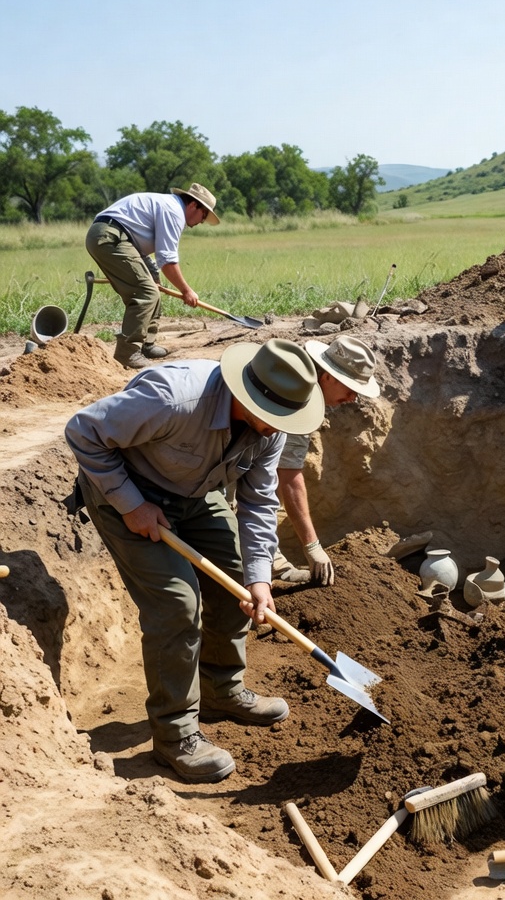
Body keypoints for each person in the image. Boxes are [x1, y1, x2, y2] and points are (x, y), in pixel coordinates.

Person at [64, 338, 325, 783]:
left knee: (238, 576)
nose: (280, 428)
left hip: (196, 493)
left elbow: (259, 502)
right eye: (275, 417)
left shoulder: (273, 426)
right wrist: (131, 504)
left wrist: (260, 579)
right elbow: (82, 431)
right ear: (249, 398)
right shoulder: (173, 399)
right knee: (177, 605)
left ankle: (221, 689)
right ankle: (175, 736)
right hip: (127, 490)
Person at [272, 336, 381, 586]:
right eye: (350, 388)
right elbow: (288, 475)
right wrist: (312, 546)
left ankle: (270, 561)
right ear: (328, 376)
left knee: (266, 491)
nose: (353, 398)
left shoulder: (305, 379)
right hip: (213, 450)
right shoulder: (300, 396)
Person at [85, 182, 220, 369]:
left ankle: (147, 344)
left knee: (154, 285)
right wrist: (186, 290)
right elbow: (167, 260)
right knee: (146, 292)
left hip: (122, 238)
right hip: (111, 237)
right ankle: (127, 352)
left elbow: (157, 254)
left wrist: (154, 275)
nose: (202, 221)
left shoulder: (170, 206)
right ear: (193, 205)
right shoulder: (174, 211)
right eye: (204, 215)